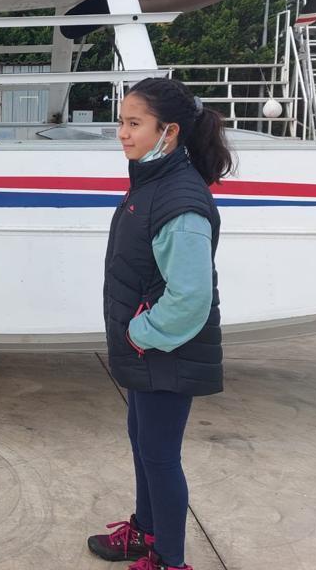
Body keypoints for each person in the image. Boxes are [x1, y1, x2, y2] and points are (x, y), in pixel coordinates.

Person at [88, 77, 234, 570]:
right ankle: (146, 533)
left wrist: (138, 334)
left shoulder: (180, 200)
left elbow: (190, 298)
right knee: (144, 443)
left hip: (165, 352)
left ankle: (170, 560)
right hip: (149, 353)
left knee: (161, 456)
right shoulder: (151, 183)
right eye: (121, 122)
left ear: (167, 131)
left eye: (134, 124)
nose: (122, 134)